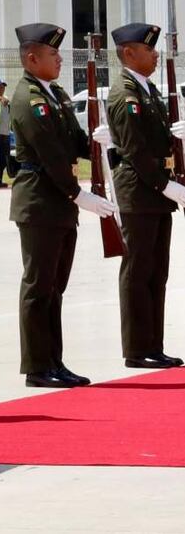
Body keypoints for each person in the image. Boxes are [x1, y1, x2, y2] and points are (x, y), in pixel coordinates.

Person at [9, 22, 116, 389]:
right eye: (53, 55)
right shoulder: (28, 99)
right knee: (39, 286)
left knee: (56, 287)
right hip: (40, 200)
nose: (58, 61)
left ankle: (54, 360)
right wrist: (77, 193)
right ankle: (38, 366)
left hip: (57, 203)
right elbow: (50, 153)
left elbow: (73, 141)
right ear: (32, 58)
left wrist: (105, 146)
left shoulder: (54, 95)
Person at [106, 23, 185, 369]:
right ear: (129, 53)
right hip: (140, 192)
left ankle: (154, 344)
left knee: (157, 272)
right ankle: (138, 348)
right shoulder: (125, 93)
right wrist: (166, 185)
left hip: (154, 194)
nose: (155, 56)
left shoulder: (147, 88)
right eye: (149, 50)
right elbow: (135, 151)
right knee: (138, 272)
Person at [0, 79, 11, 186]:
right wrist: (0, 98)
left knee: (3, 158)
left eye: (3, 86)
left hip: (5, 133)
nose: (1, 88)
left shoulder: (6, 99)